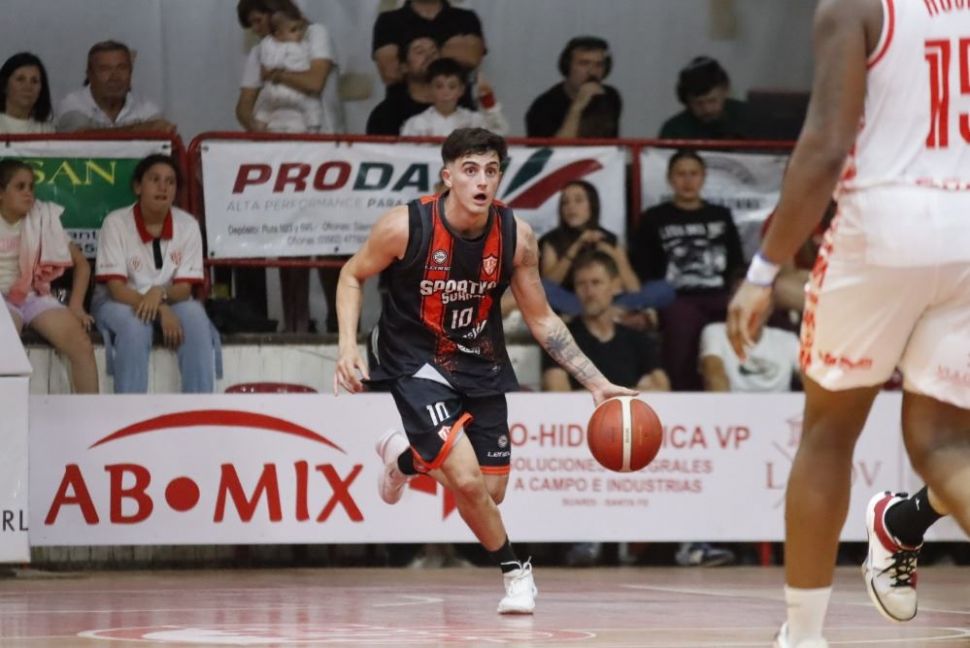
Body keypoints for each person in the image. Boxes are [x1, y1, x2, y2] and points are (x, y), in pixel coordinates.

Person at [726, 1, 970, 646]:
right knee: (947, 446)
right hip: (967, 231)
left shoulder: (854, 6)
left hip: (881, 224)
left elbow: (826, 147)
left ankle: (805, 636)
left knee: (829, 433)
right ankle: (899, 528)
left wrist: (763, 271)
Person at [333, 128, 636, 614]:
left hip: (478, 357)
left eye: (491, 171)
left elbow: (541, 318)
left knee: (491, 490)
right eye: (470, 170)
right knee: (468, 481)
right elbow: (352, 274)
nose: (481, 181)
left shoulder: (517, 237)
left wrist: (594, 382)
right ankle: (517, 574)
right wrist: (347, 346)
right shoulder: (405, 226)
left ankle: (404, 459)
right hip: (413, 358)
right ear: (447, 176)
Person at [235, 0, 343, 334]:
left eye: (259, 20)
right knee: (291, 239)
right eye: (252, 25)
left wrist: (276, 75)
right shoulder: (259, 52)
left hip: (326, 150)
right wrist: (262, 130)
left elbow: (315, 81)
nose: (257, 29)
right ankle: (297, 322)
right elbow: (243, 107)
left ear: (276, 11)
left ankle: (339, 320)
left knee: (332, 240)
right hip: (283, 156)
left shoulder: (315, 34)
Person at [93, 154, 220, 394]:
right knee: (135, 326)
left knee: (195, 316)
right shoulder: (116, 223)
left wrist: (159, 294)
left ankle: (199, 405)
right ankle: (131, 410)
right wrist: (160, 309)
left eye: (170, 182)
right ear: (138, 187)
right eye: (155, 180)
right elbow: (116, 289)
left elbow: (184, 289)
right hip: (118, 301)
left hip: (171, 299)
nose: (163, 187)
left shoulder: (188, 225)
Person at [631, 150, 745, 391]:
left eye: (693, 174)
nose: (687, 180)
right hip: (675, 297)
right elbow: (643, 268)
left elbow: (736, 263)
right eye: (681, 174)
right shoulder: (654, 218)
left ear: (703, 177)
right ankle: (683, 394)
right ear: (670, 179)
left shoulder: (721, 216)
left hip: (719, 294)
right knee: (681, 326)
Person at [0, 159, 97, 393]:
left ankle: (93, 413)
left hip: (33, 295)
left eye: (31, 187)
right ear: (1, 193)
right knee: (6, 344)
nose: (28, 193)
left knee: (82, 345)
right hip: (2, 299)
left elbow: (82, 265)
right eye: (20, 187)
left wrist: (76, 307)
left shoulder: (42, 218)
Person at [540, 180, 674, 323]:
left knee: (663, 288)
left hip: (611, 301)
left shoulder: (608, 238)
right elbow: (549, 284)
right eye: (565, 203)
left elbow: (633, 289)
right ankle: (607, 316)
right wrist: (576, 247)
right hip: (574, 300)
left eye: (578, 200)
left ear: (592, 205)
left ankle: (602, 314)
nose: (571, 207)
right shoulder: (552, 240)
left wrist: (614, 255)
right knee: (541, 289)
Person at [56, 41, 175, 133]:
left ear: (131, 73)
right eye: (105, 69)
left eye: (122, 68)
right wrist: (143, 129)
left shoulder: (146, 109)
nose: (115, 77)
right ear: (89, 75)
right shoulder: (72, 104)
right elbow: (81, 137)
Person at [371, 0, 485, 89]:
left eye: (432, 50)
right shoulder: (388, 21)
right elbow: (390, 73)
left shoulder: (466, 18)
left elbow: (472, 58)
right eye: (420, 51)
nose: (430, 54)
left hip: (457, 108)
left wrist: (417, 59)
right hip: (402, 108)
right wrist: (451, 53)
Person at [525, 36, 621, 138]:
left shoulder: (610, 96)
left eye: (599, 65)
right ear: (567, 66)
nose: (592, 72)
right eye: (584, 64)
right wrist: (577, 108)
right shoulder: (543, 106)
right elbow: (556, 147)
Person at [252, 8, 323, 133]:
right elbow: (308, 73)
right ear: (278, 33)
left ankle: (258, 131)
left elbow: (267, 69)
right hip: (297, 92)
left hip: (272, 90)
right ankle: (313, 131)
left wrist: (273, 73)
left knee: (262, 109)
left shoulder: (267, 44)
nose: (299, 33)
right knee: (312, 106)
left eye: (300, 29)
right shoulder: (302, 46)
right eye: (293, 30)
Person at [400, 58, 508, 136]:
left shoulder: (473, 121)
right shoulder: (416, 123)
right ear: (429, 89)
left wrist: (487, 99)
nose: (445, 92)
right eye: (439, 86)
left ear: (461, 90)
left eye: (452, 87)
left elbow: (499, 133)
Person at [658, 56, 756, 140]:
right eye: (698, 103)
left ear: (725, 91)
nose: (707, 109)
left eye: (712, 101)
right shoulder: (674, 130)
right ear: (687, 102)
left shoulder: (750, 118)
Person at [366, 36, 439, 135]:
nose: (429, 56)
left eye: (434, 52)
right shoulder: (385, 114)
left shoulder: (456, 106)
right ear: (404, 67)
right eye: (420, 52)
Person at [0, 52, 54, 134]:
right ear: (4, 85)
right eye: (20, 79)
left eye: (34, 81)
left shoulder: (46, 129)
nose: (28, 87)